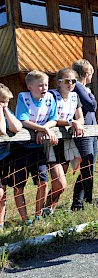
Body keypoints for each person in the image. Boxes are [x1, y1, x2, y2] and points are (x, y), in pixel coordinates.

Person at [14, 70, 58, 223]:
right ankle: (25, 219)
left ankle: (38, 215)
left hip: (39, 148)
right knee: (19, 185)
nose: (44, 88)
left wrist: (44, 127)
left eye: (46, 84)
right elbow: (23, 121)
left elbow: (54, 119)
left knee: (43, 181)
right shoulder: (23, 97)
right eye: (40, 85)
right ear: (30, 87)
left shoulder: (51, 98)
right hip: (21, 148)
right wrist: (42, 129)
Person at [44, 68, 85, 215]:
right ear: (59, 82)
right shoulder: (51, 96)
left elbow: (80, 118)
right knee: (60, 184)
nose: (71, 84)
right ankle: (44, 209)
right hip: (52, 142)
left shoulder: (75, 97)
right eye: (67, 81)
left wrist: (76, 123)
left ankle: (49, 211)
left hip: (66, 142)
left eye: (74, 81)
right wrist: (70, 122)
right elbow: (51, 119)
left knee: (60, 185)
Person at [71, 59, 98, 211]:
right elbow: (92, 106)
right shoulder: (80, 87)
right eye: (90, 75)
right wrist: (90, 95)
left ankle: (83, 201)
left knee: (89, 167)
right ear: (87, 74)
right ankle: (81, 202)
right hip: (85, 132)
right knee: (87, 167)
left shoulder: (80, 87)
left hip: (91, 131)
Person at [0, 84, 22, 229]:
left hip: (4, 156)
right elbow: (2, 130)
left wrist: (6, 110)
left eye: (7, 102)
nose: (5, 104)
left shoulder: (6, 112)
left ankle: (0, 223)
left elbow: (16, 127)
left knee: (3, 190)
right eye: (2, 101)